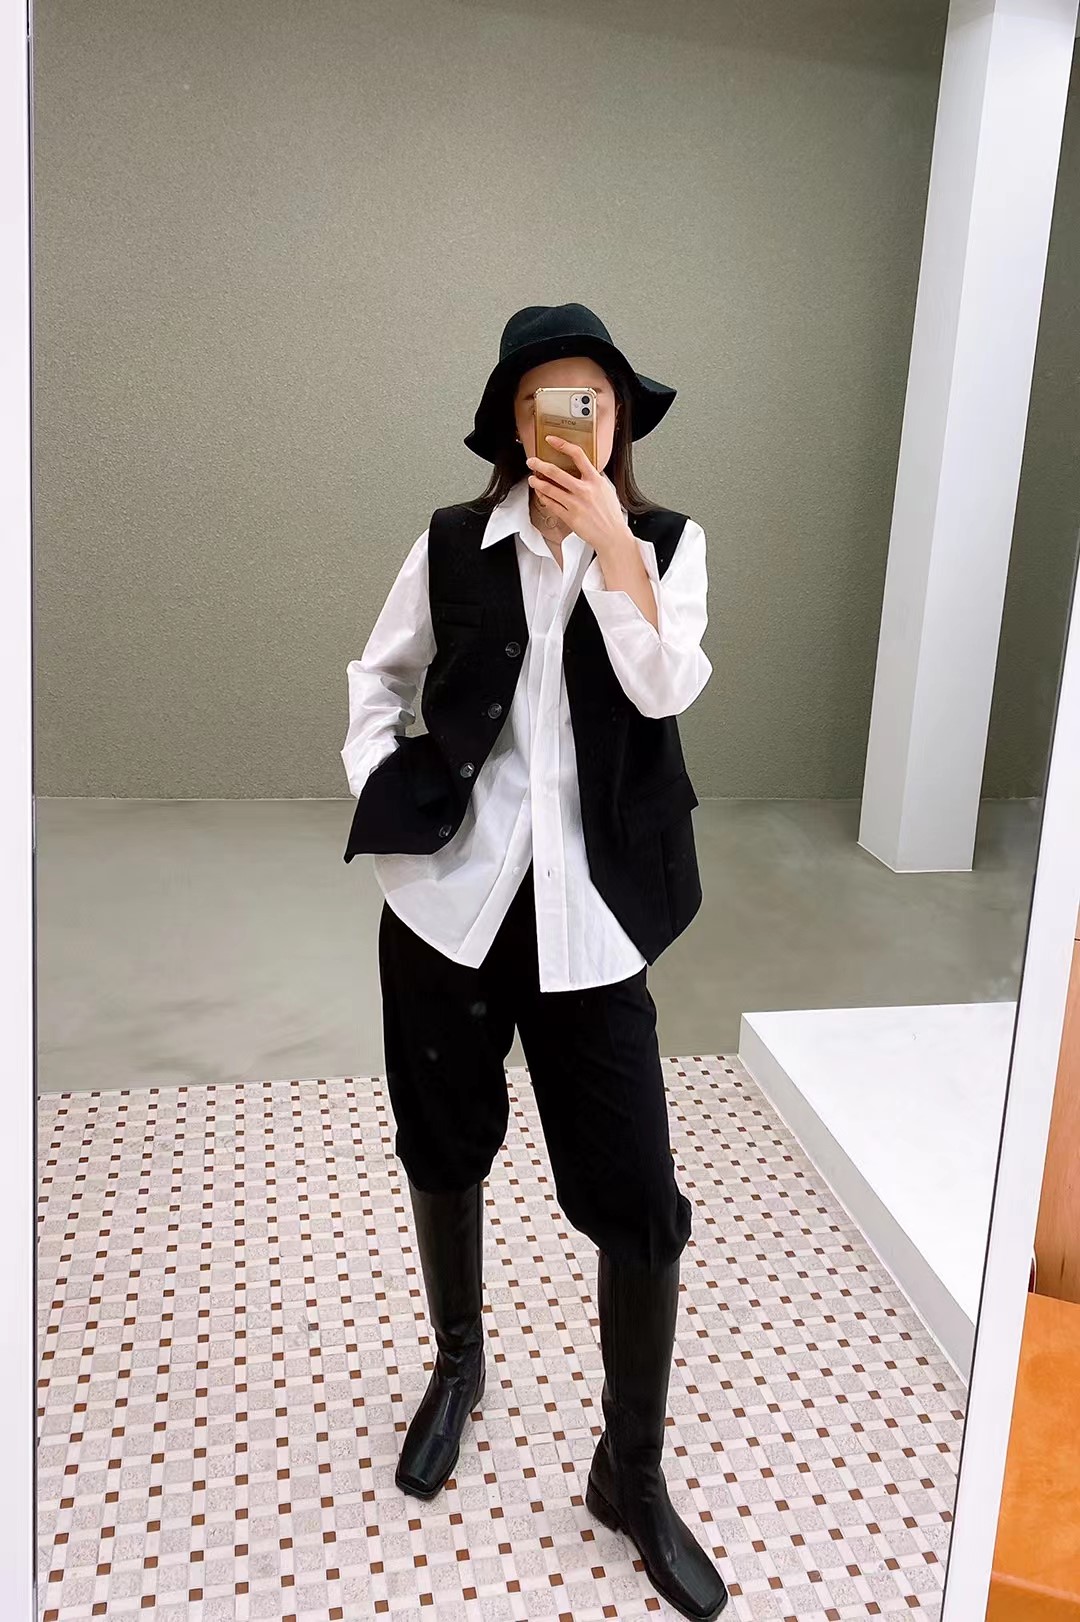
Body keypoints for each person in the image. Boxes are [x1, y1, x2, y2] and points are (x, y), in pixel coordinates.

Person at [340, 303, 728, 1622]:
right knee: (443, 1143)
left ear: (618, 421)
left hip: (592, 913)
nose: (571, 422)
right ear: (513, 423)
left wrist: (613, 547)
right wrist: (386, 787)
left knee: (640, 1199)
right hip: (450, 904)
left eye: (592, 401)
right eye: (543, 402)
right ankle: (459, 1366)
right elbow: (379, 673)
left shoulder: (667, 546)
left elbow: (665, 687)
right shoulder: (453, 541)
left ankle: (632, 1469)